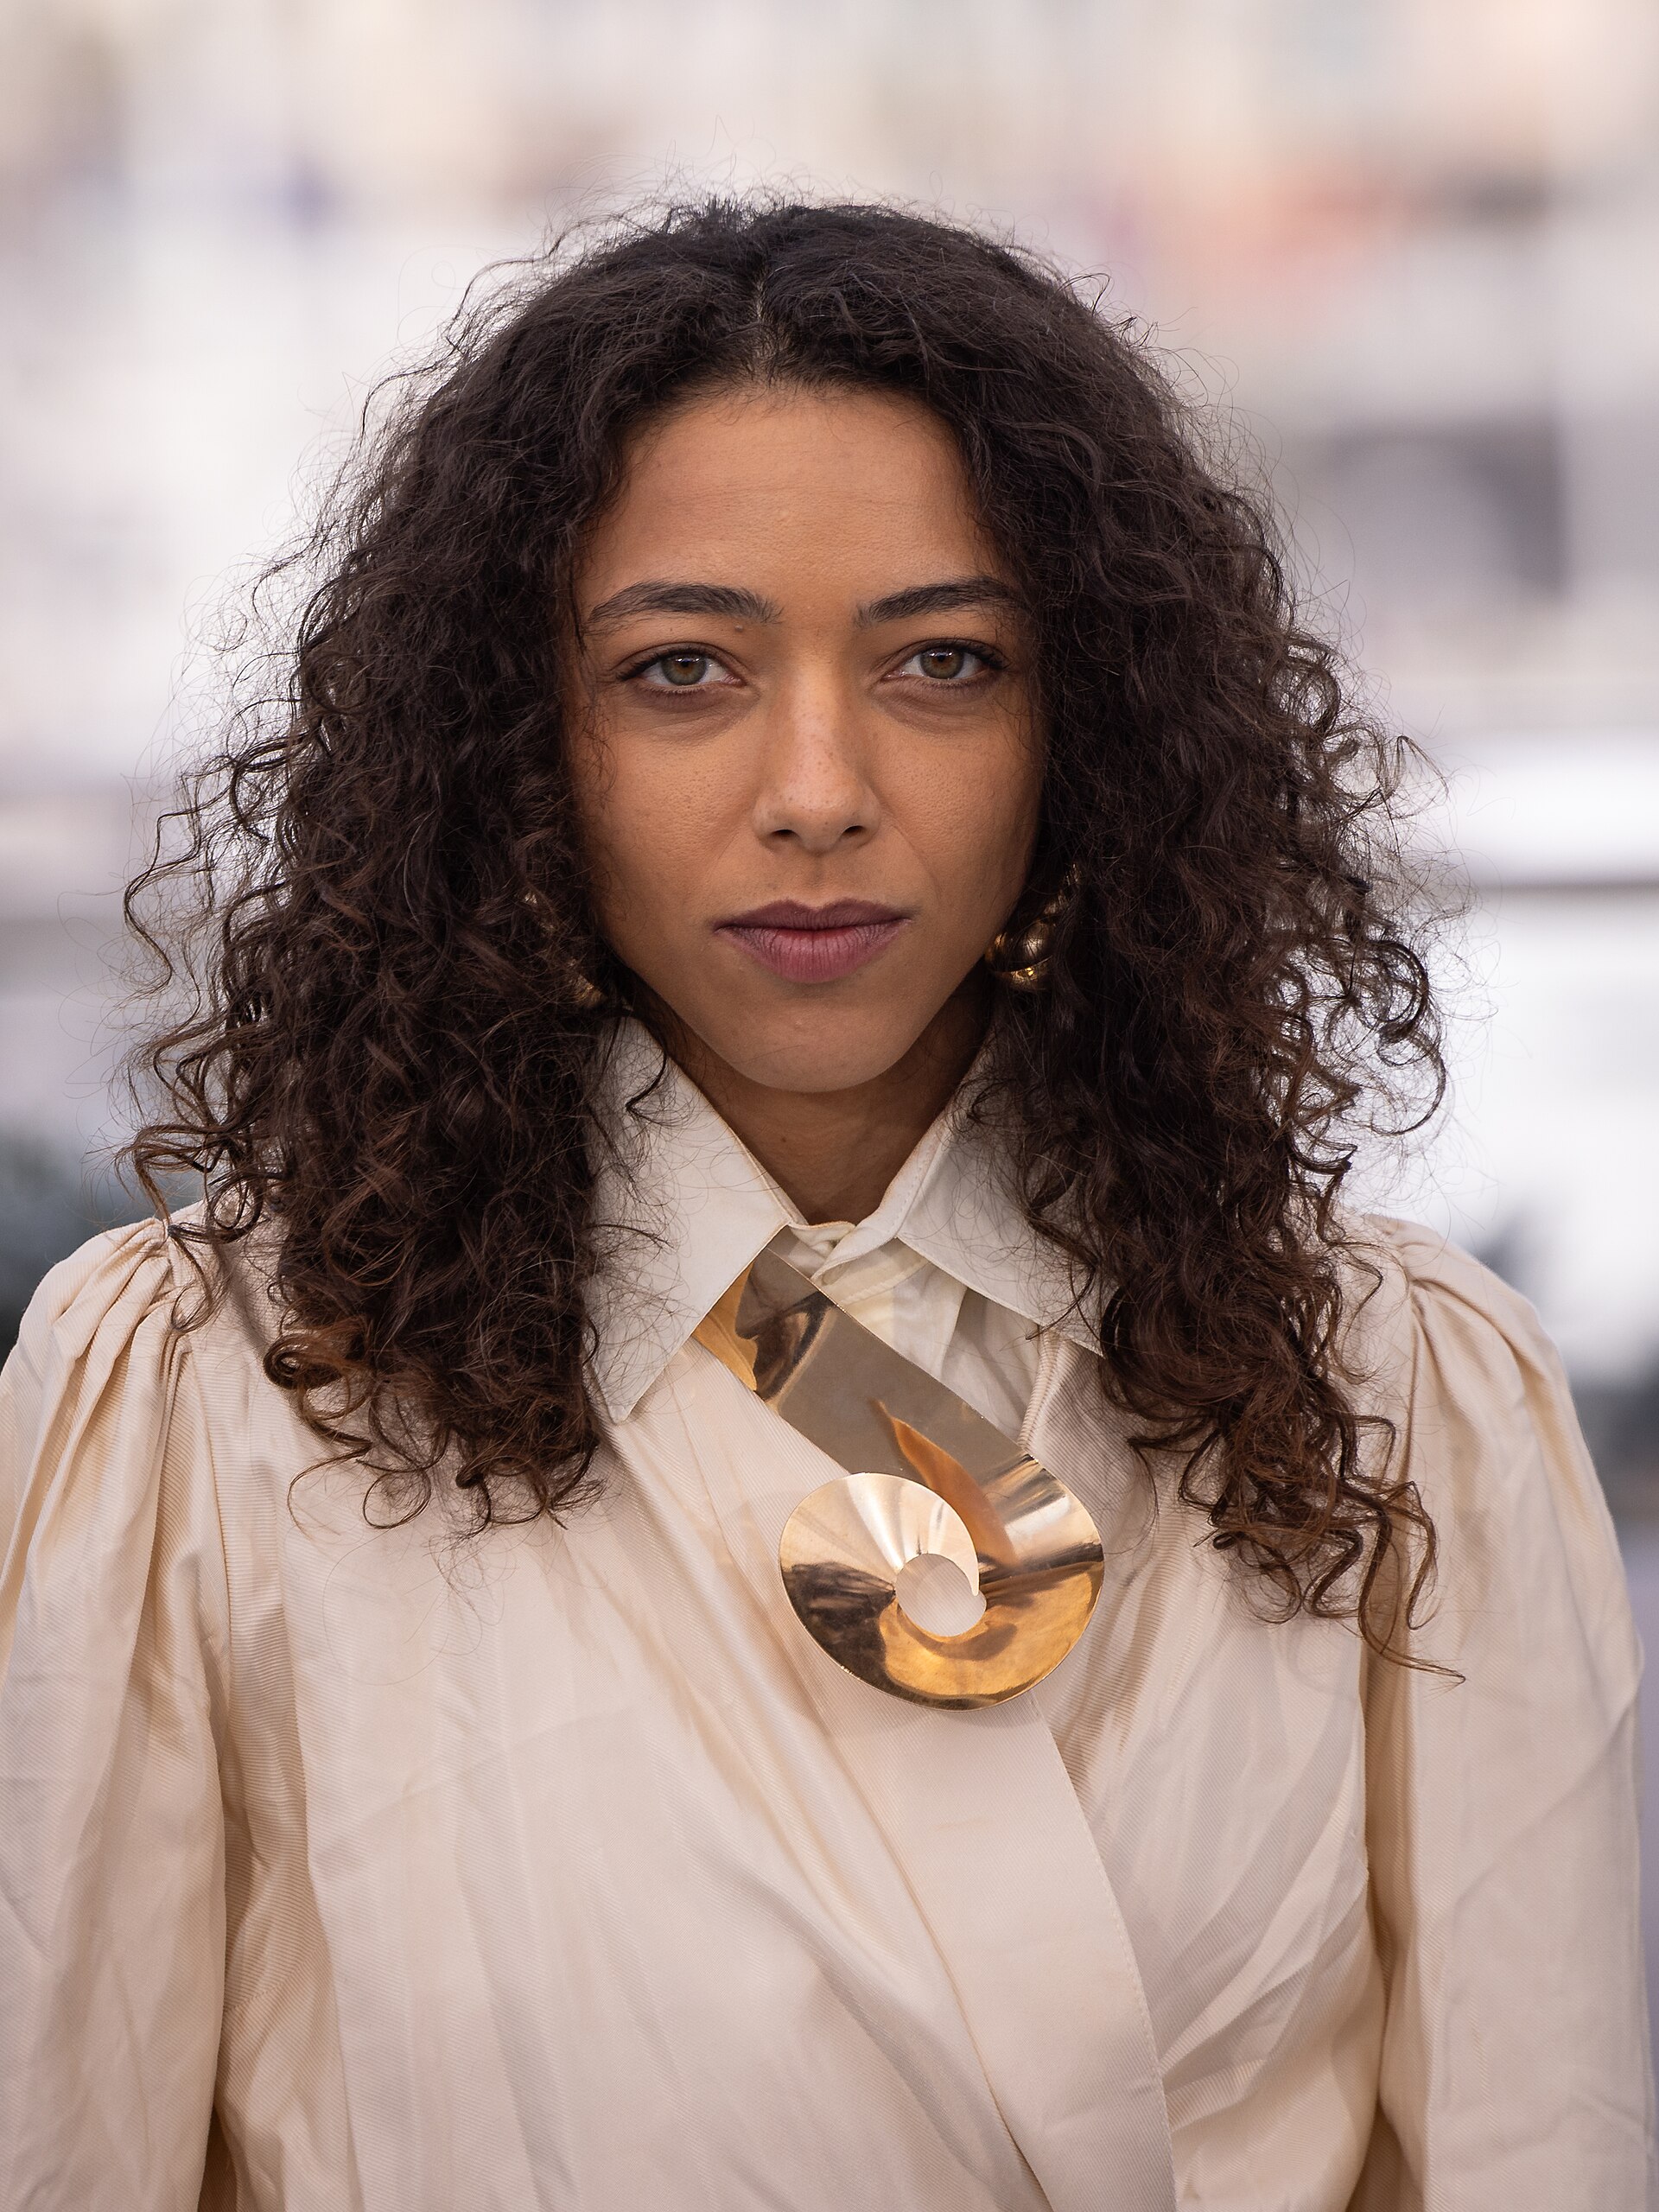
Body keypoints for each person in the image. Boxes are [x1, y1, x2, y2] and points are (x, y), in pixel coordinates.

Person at [0, 198, 1649, 2210]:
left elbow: (1536, 2157)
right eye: (680, 668)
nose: (815, 784)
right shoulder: (211, 1395)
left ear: (1094, 736)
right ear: (520, 743)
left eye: (944, 661)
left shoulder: (1395, 1389)